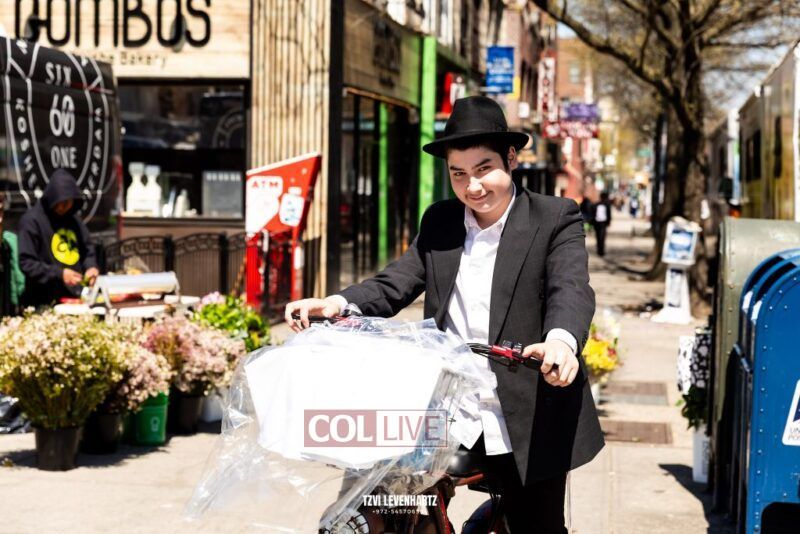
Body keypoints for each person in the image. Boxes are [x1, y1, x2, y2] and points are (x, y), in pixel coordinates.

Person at [286, 96, 603, 533]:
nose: (473, 186)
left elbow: (570, 288)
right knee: (381, 498)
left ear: (511, 159)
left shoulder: (554, 218)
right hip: (452, 412)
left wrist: (560, 342)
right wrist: (336, 303)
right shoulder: (441, 221)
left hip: (529, 415)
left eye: (484, 169)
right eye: (459, 173)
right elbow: (396, 281)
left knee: (537, 526)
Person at [18, 169, 99, 307]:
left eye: (68, 202)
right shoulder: (31, 221)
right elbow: (27, 262)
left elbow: (87, 249)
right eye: (61, 202)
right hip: (43, 300)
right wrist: (59, 274)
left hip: (76, 297)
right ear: (52, 197)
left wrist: (91, 267)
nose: (64, 207)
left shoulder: (74, 220)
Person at [592, 191, 613, 257]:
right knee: (601, 237)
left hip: (600, 223)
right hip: (600, 223)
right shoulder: (606, 205)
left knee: (599, 236)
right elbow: (609, 214)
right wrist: (609, 222)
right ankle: (600, 250)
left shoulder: (597, 204)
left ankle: (600, 250)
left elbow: (608, 214)